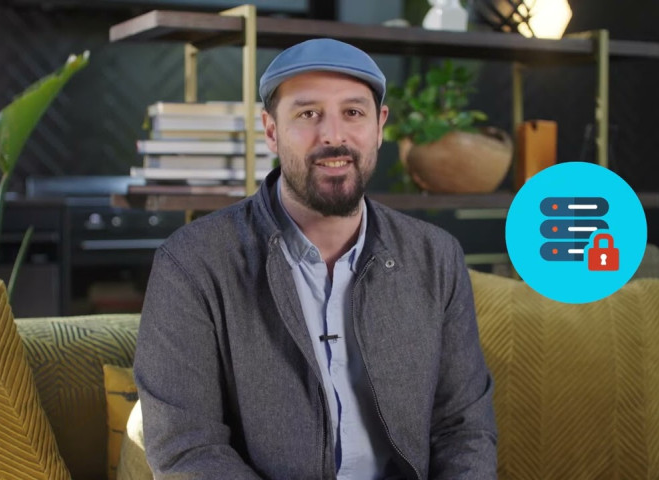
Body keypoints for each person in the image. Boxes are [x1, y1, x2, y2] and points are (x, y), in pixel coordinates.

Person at [135, 38, 497, 479]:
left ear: (379, 126)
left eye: (353, 113)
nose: (333, 135)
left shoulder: (436, 256)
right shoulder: (192, 263)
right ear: (271, 130)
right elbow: (186, 448)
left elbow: (464, 431)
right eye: (308, 114)